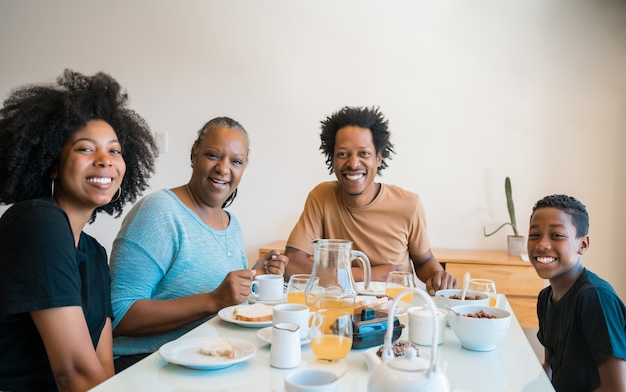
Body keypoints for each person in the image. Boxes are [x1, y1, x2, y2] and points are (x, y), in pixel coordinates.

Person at [0, 69, 158, 392]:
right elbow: (74, 374)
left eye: (114, 150)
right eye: (86, 148)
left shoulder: (95, 253)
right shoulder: (37, 222)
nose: (105, 161)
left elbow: (102, 369)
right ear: (53, 163)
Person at [109, 117, 288, 372]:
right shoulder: (159, 211)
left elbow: (216, 289)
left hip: (210, 359)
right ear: (194, 155)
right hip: (148, 364)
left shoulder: (231, 223)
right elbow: (120, 315)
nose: (224, 168)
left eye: (236, 161)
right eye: (214, 155)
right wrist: (214, 300)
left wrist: (255, 275)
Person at [283, 106, 456, 295]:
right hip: (339, 304)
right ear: (332, 159)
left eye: (364, 153)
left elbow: (423, 262)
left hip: (395, 310)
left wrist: (439, 276)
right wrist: (369, 274)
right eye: (342, 154)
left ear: (379, 158)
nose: (353, 163)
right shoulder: (322, 196)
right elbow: (292, 263)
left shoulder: (409, 204)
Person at [528, 194, 626, 391]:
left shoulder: (595, 297)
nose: (542, 244)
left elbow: (616, 388)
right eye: (534, 235)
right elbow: (550, 365)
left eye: (556, 235)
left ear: (583, 244)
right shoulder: (545, 298)